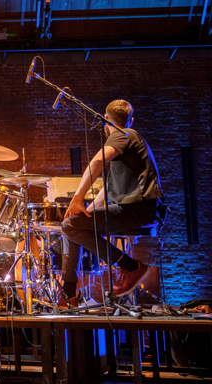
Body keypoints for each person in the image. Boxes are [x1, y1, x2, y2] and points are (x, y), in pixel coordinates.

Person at [59, 99, 164, 308]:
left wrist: (77, 197)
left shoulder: (123, 134)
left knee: (69, 225)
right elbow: (107, 190)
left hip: (139, 209)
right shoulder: (126, 143)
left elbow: (97, 161)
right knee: (72, 224)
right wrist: (86, 212)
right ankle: (68, 294)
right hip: (135, 209)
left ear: (105, 119)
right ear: (131, 120)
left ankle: (131, 266)